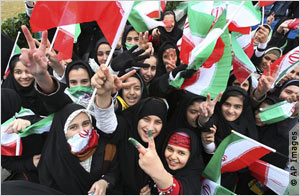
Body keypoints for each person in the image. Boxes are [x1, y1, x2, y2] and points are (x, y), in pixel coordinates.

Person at [92, 64, 169, 195]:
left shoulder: (166, 145)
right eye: (146, 119)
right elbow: (106, 123)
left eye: (157, 122)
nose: (150, 127)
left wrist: (155, 188)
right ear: (137, 118)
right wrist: (103, 93)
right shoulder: (126, 127)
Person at [129, 128, 204, 194]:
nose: (173, 157)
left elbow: (178, 191)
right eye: (170, 149)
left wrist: (157, 171)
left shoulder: (194, 179)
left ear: (191, 156)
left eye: (181, 153)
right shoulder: (162, 162)